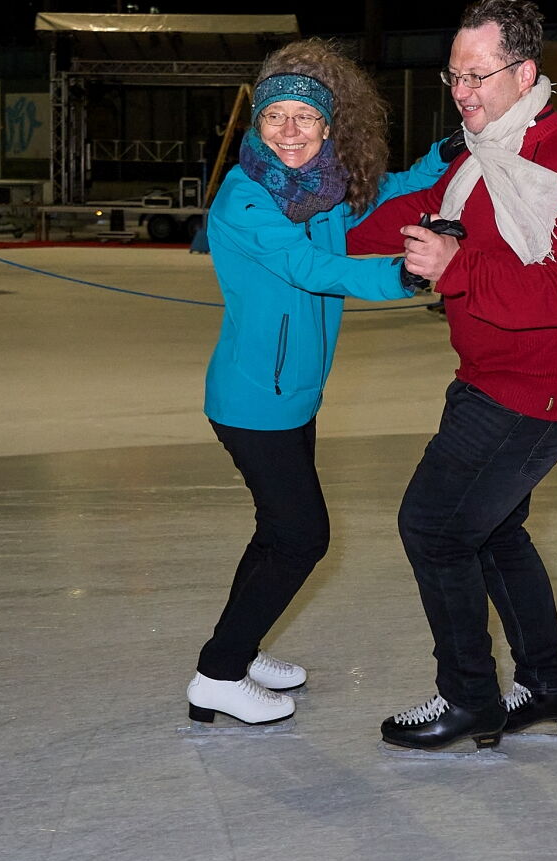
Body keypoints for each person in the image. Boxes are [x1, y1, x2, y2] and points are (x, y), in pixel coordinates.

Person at [347, 0, 557, 751]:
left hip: (539, 386)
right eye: (454, 76)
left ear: (524, 72)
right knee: (493, 530)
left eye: (478, 76)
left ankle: (469, 698)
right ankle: (551, 685)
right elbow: (419, 210)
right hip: (493, 375)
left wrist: (458, 267)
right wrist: (323, 223)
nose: (462, 92)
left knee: (434, 528)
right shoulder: (481, 155)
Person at [186, 38, 456, 727]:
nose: (290, 131)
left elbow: (384, 193)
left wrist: (440, 157)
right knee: (302, 537)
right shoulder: (247, 200)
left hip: (294, 392)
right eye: (276, 117)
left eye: (306, 117)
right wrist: (402, 274)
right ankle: (217, 676)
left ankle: (237, 648)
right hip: (254, 399)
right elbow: (310, 269)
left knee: (275, 532)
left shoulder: (323, 190)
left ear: (329, 128)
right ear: (256, 124)